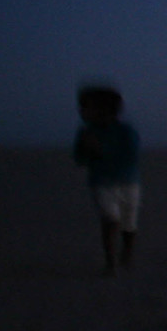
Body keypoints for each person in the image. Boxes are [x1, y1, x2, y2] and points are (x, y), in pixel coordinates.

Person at [73, 83, 141, 275]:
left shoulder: (125, 131)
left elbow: (131, 156)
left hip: (128, 182)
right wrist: (87, 150)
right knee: (110, 219)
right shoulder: (86, 133)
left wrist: (101, 150)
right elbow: (79, 160)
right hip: (102, 183)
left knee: (129, 223)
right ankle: (110, 262)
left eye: (87, 107)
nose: (82, 112)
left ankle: (127, 253)